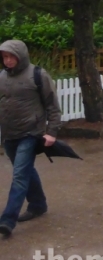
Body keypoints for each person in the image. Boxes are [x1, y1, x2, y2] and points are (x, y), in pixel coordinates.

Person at [0, 40, 62, 237]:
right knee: (25, 170)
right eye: (4, 57)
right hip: (9, 134)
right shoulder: (2, 77)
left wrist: (51, 132)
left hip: (31, 133)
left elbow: (52, 105)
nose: (7, 61)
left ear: (21, 56)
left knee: (19, 175)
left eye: (11, 56)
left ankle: (7, 221)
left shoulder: (38, 75)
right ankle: (38, 204)